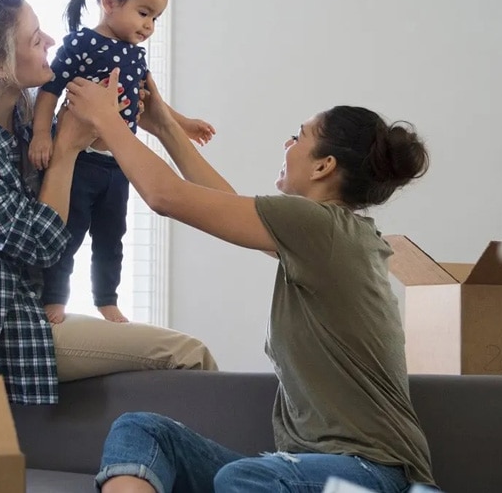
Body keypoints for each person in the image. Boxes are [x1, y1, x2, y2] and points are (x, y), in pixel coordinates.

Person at [63, 71, 435, 492]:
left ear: (324, 165)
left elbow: (165, 195)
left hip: (372, 476)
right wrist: (164, 125)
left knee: (243, 478)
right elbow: (225, 203)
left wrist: (105, 118)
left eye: (299, 136)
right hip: (307, 468)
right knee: (143, 431)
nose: (287, 144)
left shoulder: (322, 229)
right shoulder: (325, 237)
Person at [0, 0, 216, 405]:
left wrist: (148, 123)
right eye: (34, 38)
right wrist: (66, 149)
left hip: (26, 304)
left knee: (183, 353)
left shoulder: (24, 108)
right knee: (189, 355)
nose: (50, 41)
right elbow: (44, 245)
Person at [29, 0, 215, 325]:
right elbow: (49, 89)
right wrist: (40, 134)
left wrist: (184, 124)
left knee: (112, 237)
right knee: (68, 233)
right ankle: (54, 298)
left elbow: (155, 107)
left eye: (155, 19)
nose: (149, 25)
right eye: (144, 13)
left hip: (118, 165)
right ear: (109, 2)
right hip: (81, 160)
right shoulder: (81, 44)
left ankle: (106, 298)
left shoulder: (135, 56)